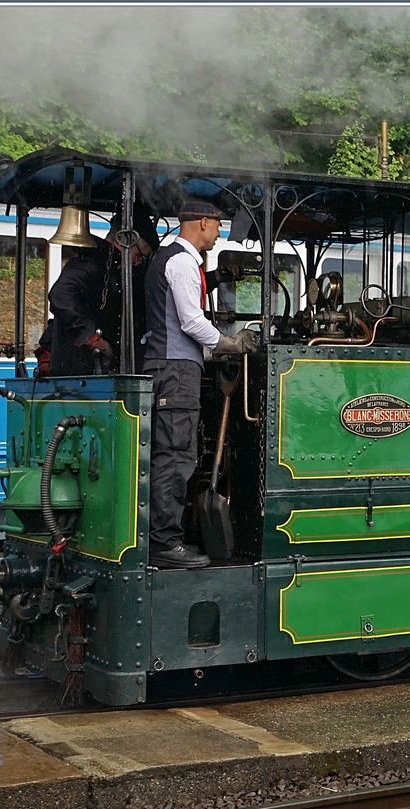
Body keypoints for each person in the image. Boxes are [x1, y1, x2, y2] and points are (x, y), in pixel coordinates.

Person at [143, 197, 257, 569]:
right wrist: (230, 343)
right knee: (176, 456)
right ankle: (164, 541)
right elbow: (192, 322)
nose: (220, 232)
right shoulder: (181, 261)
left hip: (173, 366)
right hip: (176, 371)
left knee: (172, 454)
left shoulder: (171, 258)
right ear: (203, 223)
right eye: (219, 225)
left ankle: (163, 537)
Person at [34, 210, 161, 377]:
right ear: (125, 239)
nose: (137, 263)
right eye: (138, 256)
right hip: (78, 373)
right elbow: (61, 294)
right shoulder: (92, 263)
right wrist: (90, 337)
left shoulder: (112, 267)